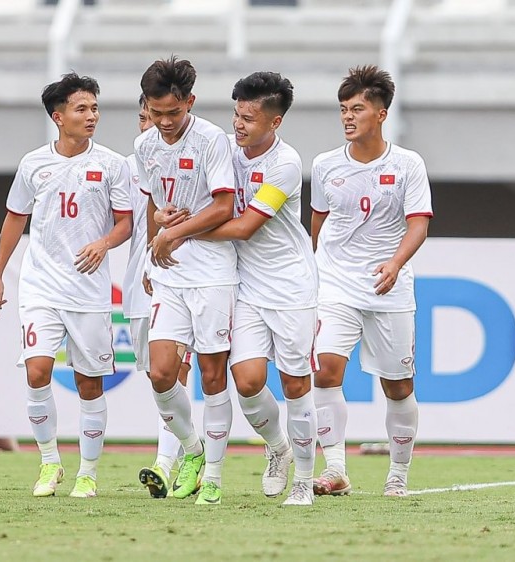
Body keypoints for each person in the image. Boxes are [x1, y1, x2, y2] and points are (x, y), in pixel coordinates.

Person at [156, 72, 318, 506]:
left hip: (290, 287)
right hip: (245, 284)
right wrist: (166, 219)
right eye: (236, 114)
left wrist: (180, 234)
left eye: (248, 118)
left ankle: (304, 479)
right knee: (246, 382)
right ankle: (279, 448)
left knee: (296, 383)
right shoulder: (224, 149)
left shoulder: (285, 164)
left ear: (274, 123)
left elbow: (244, 227)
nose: (238, 125)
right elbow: (193, 199)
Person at [0, 73, 132, 499]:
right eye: (82, 109)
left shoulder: (111, 164)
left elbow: (125, 223)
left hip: (88, 291)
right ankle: (50, 463)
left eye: (94, 108)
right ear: (58, 116)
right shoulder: (34, 164)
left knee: (90, 383)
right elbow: (16, 217)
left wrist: (103, 244)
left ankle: (88, 472)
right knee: (37, 371)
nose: (91, 116)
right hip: (41, 286)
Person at [309, 65, 432, 498]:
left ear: (380, 114)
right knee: (325, 370)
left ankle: (397, 475)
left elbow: (418, 224)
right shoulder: (325, 165)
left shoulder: (407, 165)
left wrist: (395, 264)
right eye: (343, 109)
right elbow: (318, 223)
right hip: (335, 282)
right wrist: (312, 268)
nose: (347, 117)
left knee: (398, 385)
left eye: (357, 108)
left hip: (388, 286)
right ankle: (336, 469)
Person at [134, 56, 238, 505]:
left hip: (213, 270)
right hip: (170, 271)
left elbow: (224, 206)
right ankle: (193, 452)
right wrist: (160, 223)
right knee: (160, 374)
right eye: (155, 113)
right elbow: (153, 206)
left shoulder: (213, 139)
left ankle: (212, 475)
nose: (164, 122)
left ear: (189, 102)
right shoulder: (145, 146)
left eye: (173, 113)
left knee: (213, 375)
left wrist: (171, 231)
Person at [124, 95, 194, 499]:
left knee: (176, 371)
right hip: (140, 283)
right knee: (158, 376)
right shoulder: (127, 168)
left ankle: (166, 463)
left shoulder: (192, 164)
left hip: (183, 282)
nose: (150, 124)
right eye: (144, 117)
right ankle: (190, 452)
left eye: (160, 117)